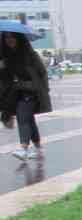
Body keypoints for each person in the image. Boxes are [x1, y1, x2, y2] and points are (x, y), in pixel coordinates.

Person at [0, 32, 52, 161]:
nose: (9, 40)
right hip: (15, 93)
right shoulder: (5, 57)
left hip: (31, 91)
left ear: (19, 39)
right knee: (29, 119)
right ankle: (38, 148)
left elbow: (42, 73)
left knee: (23, 117)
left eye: (12, 37)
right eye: (6, 37)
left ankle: (24, 148)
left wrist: (43, 90)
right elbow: (5, 79)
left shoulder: (30, 55)